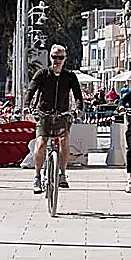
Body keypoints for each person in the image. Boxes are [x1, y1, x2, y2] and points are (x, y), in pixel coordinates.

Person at [26, 44, 85, 193]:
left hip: (63, 114)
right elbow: (31, 90)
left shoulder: (70, 76)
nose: (57, 60)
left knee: (65, 141)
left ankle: (63, 174)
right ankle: (37, 176)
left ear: (65, 59)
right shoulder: (42, 74)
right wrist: (27, 105)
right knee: (41, 143)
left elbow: (78, 95)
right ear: (49, 57)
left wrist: (78, 109)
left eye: (60, 58)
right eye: (54, 57)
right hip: (43, 114)